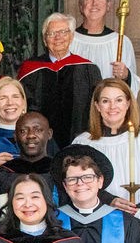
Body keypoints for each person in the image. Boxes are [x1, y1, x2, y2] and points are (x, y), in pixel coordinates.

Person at [72, 78, 140, 214]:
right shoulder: (83, 143)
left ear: (128, 103)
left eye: (119, 100)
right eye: (105, 101)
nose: (112, 107)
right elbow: (77, 182)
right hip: (101, 214)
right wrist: (109, 200)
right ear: (97, 106)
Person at [18, 13, 103, 148]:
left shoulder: (88, 69)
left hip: (80, 140)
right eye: (51, 33)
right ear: (44, 39)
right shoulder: (30, 70)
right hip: (38, 145)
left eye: (63, 32)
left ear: (71, 36)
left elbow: (98, 107)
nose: (58, 37)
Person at [70, 0, 140, 95]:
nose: (94, 3)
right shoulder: (69, 40)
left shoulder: (120, 42)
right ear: (81, 6)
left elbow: (133, 87)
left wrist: (126, 75)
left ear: (108, 6)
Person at [0, 111, 59, 202]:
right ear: (15, 136)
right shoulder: (1, 174)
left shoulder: (60, 172)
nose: (31, 135)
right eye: (23, 131)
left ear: (49, 134)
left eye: (38, 130)